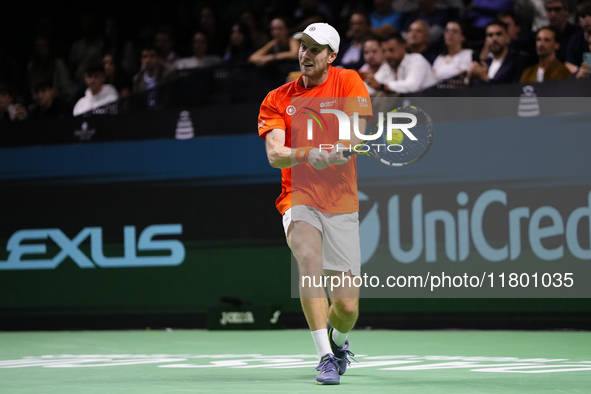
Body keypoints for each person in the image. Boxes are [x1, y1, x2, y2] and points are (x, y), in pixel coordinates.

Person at [258, 22, 372, 385]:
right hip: (299, 195)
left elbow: (355, 129)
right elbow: (276, 154)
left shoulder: (349, 81)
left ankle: (338, 343)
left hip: (341, 199)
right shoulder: (277, 98)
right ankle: (324, 356)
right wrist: (310, 154)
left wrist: (342, 144)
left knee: (348, 308)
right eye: (303, 46)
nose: (306, 54)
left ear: (332, 56)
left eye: (315, 49)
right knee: (309, 261)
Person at [365, 33, 437, 94]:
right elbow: (372, 85)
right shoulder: (387, 66)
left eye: (391, 50)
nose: (387, 55)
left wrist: (383, 86)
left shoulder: (417, 60)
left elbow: (412, 86)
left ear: (403, 48)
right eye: (384, 51)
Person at [27, 35, 72, 101]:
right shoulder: (31, 67)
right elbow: (33, 89)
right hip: (40, 102)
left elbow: (66, 89)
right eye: (38, 47)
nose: (41, 50)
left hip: (58, 100)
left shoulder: (58, 64)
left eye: (44, 46)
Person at [132, 44, 175, 109]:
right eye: (145, 57)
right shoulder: (137, 78)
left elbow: (170, 98)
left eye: (152, 56)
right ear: (141, 59)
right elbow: (136, 101)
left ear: (159, 58)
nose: (148, 60)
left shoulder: (168, 74)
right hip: (144, 114)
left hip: (165, 112)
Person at [565, 1, 591, 74]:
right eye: (582, 16)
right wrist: (578, 71)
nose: (586, 19)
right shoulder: (575, 40)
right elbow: (568, 64)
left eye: (590, 15)